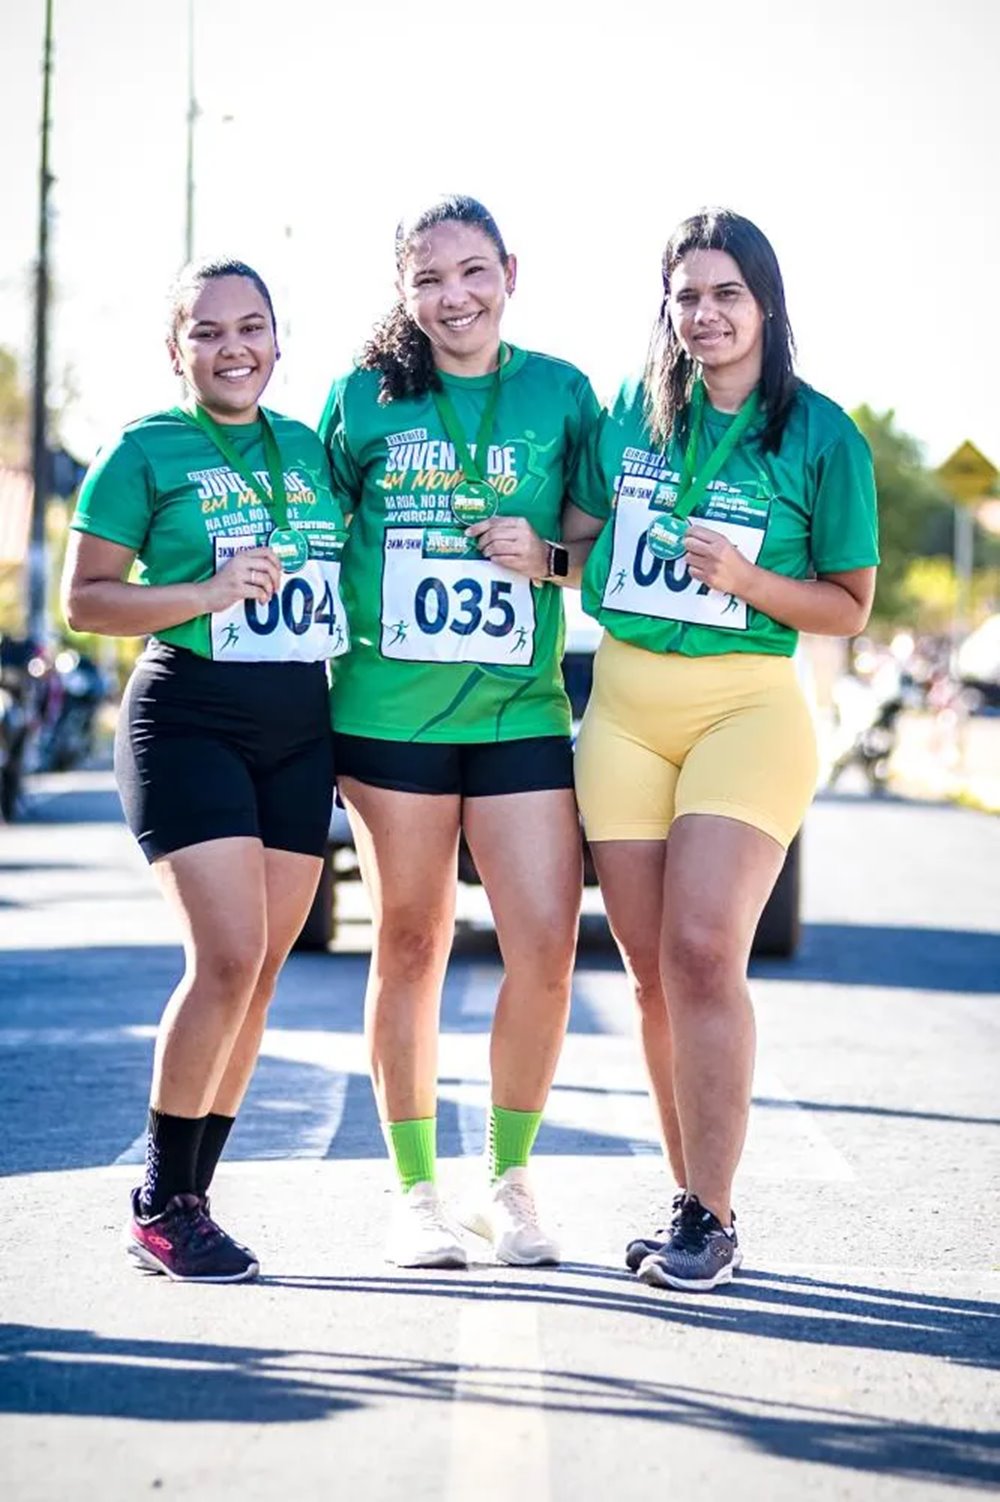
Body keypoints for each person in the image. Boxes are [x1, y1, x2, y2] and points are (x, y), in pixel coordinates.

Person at [564, 208, 879, 1291]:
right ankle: (688, 1197)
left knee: (703, 950)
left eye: (725, 295)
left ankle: (711, 1209)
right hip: (621, 708)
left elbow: (846, 607)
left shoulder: (822, 433)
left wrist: (745, 582)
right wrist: (547, 550)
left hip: (745, 707)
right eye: (685, 296)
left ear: (765, 304)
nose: (703, 315)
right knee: (651, 976)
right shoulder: (628, 410)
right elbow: (584, 545)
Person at [318, 195, 600, 1269]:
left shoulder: (561, 393)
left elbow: (595, 545)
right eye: (429, 278)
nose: (454, 296)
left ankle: (512, 1179)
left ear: (510, 273)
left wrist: (548, 559)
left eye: (472, 272)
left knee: (546, 943)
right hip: (387, 711)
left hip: (518, 707)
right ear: (403, 290)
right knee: (411, 938)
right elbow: (312, 523)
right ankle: (415, 1191)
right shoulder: (362, 398)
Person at [62, 257, 349, 1282]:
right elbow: (85, 601)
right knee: (226, 955)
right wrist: (206, 588)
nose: (234, 348)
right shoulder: (144, 451)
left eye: (253, 327)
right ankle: (156, 1193)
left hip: (297, 725)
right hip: (187, 715)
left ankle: (191, 1198)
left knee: (263, 970)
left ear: (278, 338)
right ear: (174, 346)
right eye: (210, 331)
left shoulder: (310, 448)